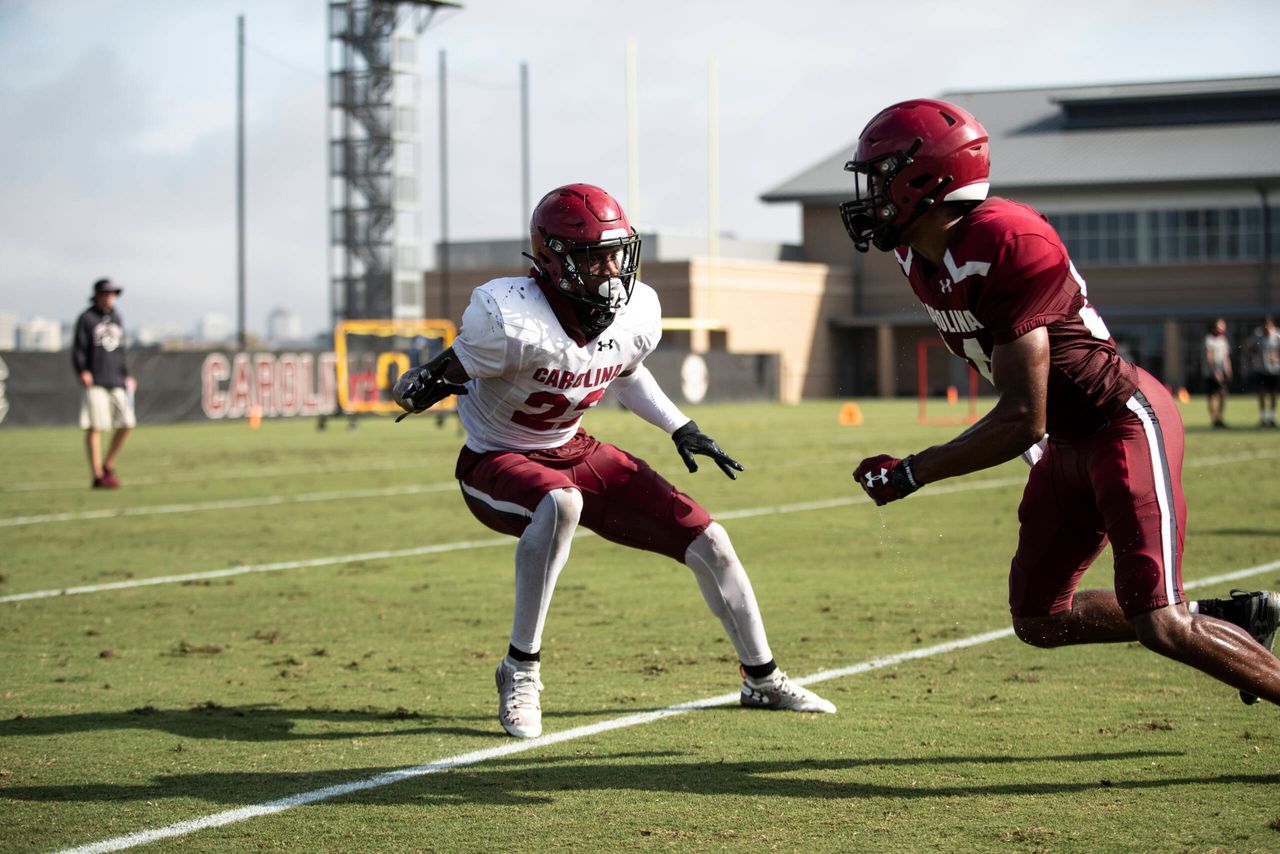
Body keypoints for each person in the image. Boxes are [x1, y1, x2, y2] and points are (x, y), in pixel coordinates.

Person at [841, 100, 1280, 708]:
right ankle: (1222, 618)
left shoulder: (1007, 237)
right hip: (1065, 441)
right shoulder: (915, 253)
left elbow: (1024, 414)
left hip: (1119, 423)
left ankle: (1192, 620)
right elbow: (1000, 368)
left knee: (1162, 627)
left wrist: (915, 470)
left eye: (881, 176)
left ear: (927, 178)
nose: (872, 195)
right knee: (1039, 619)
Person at [392, 184, 835, 738]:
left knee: (711, 541)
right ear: (551, 259)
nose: (610, 270)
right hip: (498, 458)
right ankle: (520, 669)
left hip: (576, 448)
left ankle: (762, 679)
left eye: (615, 254)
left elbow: (625, 372)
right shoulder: (506, 316)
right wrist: (422, 382)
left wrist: (681, 426)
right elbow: (447, 370)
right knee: (559, 503)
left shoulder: (635, 310)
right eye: (592, 258)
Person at [72, 279, 136, 488]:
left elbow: (120, 350)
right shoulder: (87, 318)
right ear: (98, 295)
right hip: (96, 380)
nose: (110, 297)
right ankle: (98, 474)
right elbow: (78, 349)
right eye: (107, 293)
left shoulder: (117, 318)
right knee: (96, 426)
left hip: (116, 380)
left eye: (113, 294)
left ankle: (108, 464)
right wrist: (82, 371)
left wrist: (127, 375)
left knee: (127, 422)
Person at [1245, 316, 1279, 427]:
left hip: (1275, 370)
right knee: (1262, 393)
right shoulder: (1258, 335)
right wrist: (1255, 356)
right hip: (1261, 369)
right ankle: (1263, 418)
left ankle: (1272, 417)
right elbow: (1247, 346)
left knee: (1274, 394)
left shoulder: (1277, 335)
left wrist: (1277, 357)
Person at [1203, 318, 1232, 428]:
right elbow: (1209, 357)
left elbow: (1226, 357)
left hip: (1222, 371)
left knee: (1223, 394)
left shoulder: (1223, 340)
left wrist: (1228, 370)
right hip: (1211, 373)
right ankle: (1215, 419)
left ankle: (1220, 418)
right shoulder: (1209, 340)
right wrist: (1215, 372)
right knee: (1212, 396)